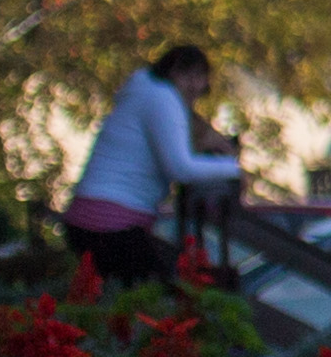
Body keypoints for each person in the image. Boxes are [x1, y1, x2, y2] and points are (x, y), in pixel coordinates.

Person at [63, 42, 240, 291]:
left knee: (126, 300)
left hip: (90, 216)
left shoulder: (143, 91)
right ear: (173, 72)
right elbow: (180, 168)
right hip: (112, 223)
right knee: (156, 299)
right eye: (189, 77)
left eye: (199, 82)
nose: (194, 89)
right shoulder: (163, 98)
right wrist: (233, 168)